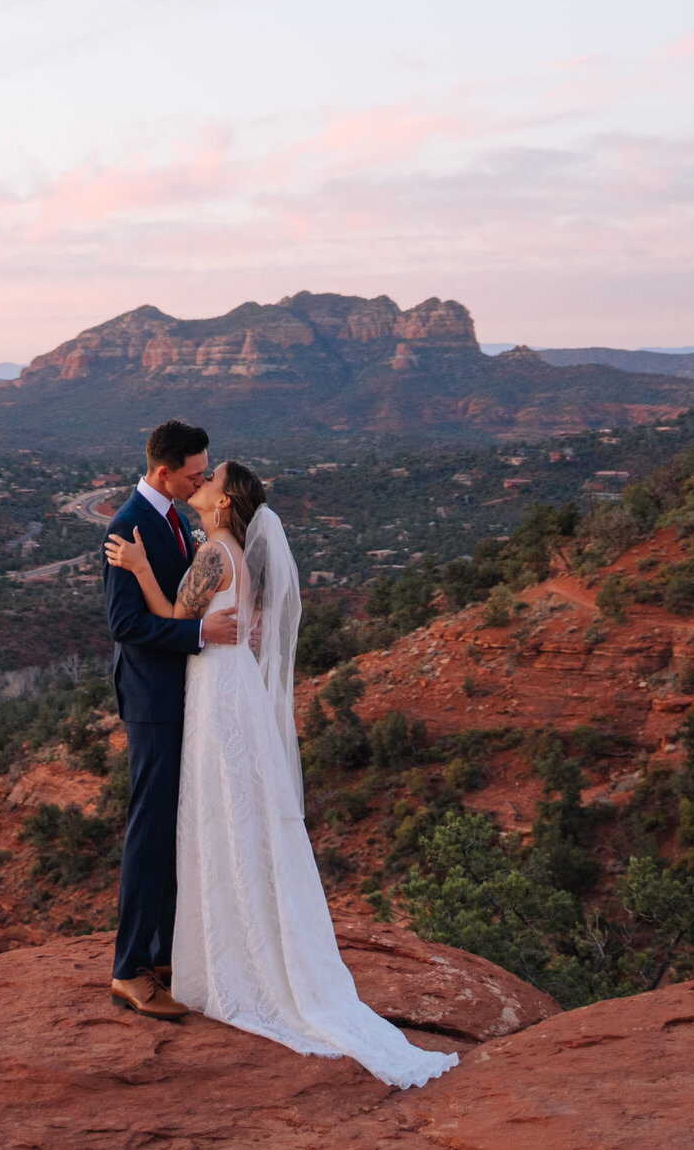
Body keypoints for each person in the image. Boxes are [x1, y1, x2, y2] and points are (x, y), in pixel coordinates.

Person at [105, 453, 458, 1090]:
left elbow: (175, 616)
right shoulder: (227, 551)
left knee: (221, 805)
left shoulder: (214, 553)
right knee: (234, 805)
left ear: (225, 504)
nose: (202, 483)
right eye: (199, 473)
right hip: (226, 682)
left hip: (216, 687)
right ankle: (232, 940)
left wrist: (136, 568)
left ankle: (229, 952)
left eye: (211, 481)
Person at [101, 419, 240, 1019]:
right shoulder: (125, 526)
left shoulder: (177, 520)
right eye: (193, 473)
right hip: (153, 701)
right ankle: (128, 969)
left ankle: (160, 955)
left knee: (172, 830)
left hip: (182, 696)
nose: (202, 480)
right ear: (164, 472)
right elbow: (124, 626)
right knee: (148, 831)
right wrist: (198, 634)